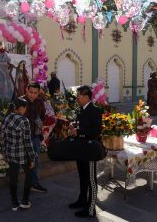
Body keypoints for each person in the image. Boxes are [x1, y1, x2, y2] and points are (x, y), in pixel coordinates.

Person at [68, 85, 102, 218]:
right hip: (81, 149)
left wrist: (79, 131)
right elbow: (81, 124)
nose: (77, 98)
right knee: (82, 177)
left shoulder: (95, 110)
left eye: (79, 96)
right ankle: (82, 200)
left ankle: (91, 208)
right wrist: (73, 125)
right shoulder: (80, 109)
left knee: (91, 180)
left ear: (86, 97)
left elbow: (97, 130)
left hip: (90, 150)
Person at [0, 98, 36, 211]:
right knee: (29, 175)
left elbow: (2, 137)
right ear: (21, 108)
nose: (26, 109)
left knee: (13, 178)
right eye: (25, 107)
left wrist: (4, 151)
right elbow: (27, 141)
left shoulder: (7, 118)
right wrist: (32, 157)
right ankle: (25, 201)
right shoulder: (24, 121)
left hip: (11, 153)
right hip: (23, 154)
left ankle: (14, 203)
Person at [21, 82, 48, 193]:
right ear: (27, 90)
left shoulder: (40, 102)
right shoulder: (20, 101)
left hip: (35, 136)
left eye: (35, 93)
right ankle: (24, 183)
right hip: (22, 138)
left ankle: (34, 183)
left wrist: (40, 125)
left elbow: (42, 117)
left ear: (38, 93)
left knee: (35, 161)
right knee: (23, 161)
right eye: (30, 92)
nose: (32, 95)